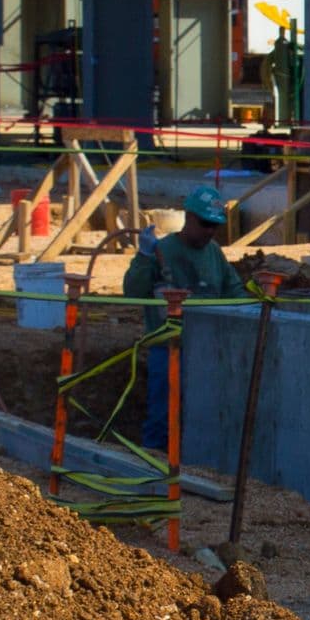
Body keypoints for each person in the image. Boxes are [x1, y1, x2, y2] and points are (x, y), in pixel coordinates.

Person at [121, 183, 247, 448]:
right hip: (168, 348)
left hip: (208, 349)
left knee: (204, 415)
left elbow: (233, 290)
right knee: (162, 416)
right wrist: (143, 257)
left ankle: (195, 463)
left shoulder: (214, 253)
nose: (210, 231)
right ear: (189, 217)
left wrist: (254, 308)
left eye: (215, 226)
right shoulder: (162, 252)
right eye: (205, 224)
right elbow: (133, 291)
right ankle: (155, 464)